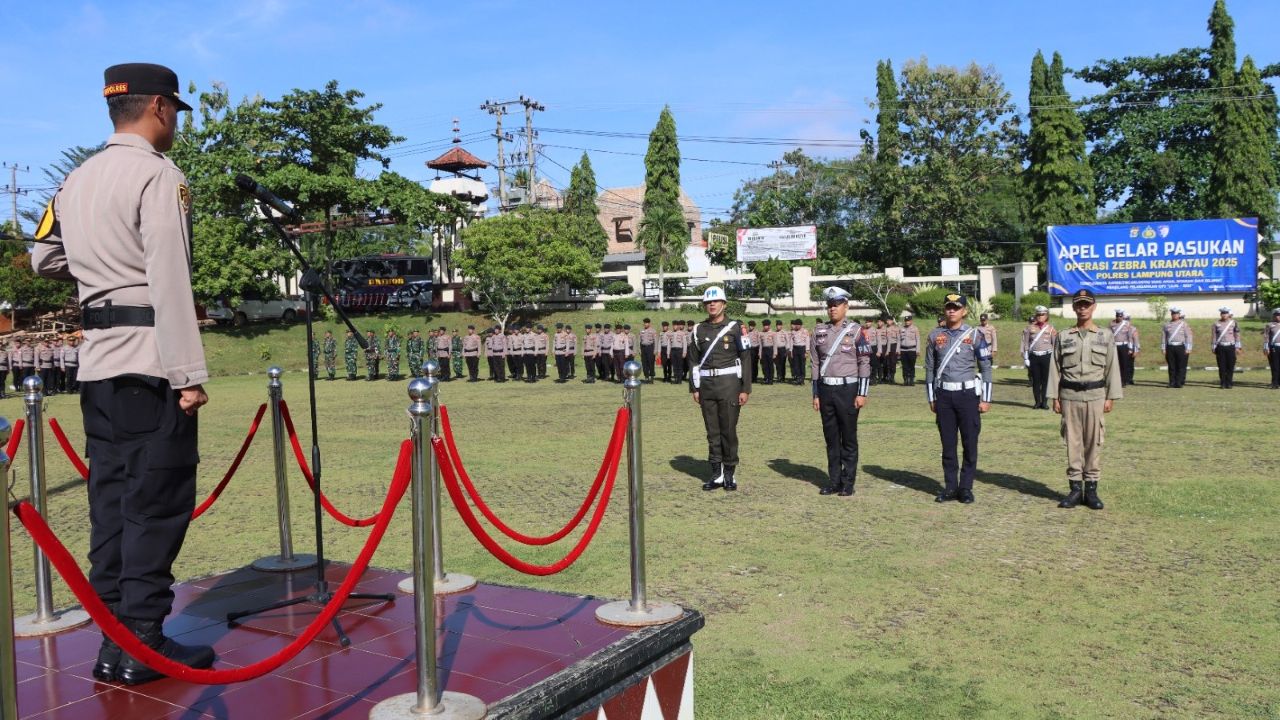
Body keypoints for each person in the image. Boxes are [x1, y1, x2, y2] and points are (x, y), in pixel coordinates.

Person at [31, 62, 214, 684]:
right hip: (149, 359)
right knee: (157, 501)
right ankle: (142, 643)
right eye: (174, 115)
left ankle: (113, 636)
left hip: (98, 365)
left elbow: (43, 256)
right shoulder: (157, 175)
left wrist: (97, 270)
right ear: (160, 108)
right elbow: (169, 275)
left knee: (110, 500)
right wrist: (188, 373)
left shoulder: (76, 179)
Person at [1047, 289, 1122, 510]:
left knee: (1094, 442)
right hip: (1069, 396)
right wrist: (1054, 396)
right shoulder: (1063, 336)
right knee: (1072, 442)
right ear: (1073, 307)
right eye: (1079, 304)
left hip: (1096, 396)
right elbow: (1055, 368)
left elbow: (1112, 367)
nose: (1082, 307)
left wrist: (1111, 396)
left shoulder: (1105, 335)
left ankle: (1091, 490)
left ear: (1093, 307)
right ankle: (1074, 490)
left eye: (1086, 304)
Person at [924, 293, 993, 504]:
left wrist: (986, 399)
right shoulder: (935, 335)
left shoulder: (975, 335)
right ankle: (950, 487)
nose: (952, 310)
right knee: (948, 444)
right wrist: (931, 398)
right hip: (944, 395)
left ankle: (966, 488)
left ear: (964, 311)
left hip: (968, 396)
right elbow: (929, 368)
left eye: (956, 307)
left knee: (970, 443)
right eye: (948, 307)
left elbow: (986, 366)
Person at [809, 288, 872, 496]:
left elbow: (864, 362)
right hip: (826, 389)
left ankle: (848, 482)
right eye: (829, 305)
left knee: (848, 437)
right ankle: (834, 480)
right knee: (831, 438)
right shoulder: (819, 331)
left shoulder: (856, 331)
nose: (832, 308)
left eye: (836, 304)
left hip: (848, 389)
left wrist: (862, 393)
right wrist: (816, 394)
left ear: (846, 306)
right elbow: (815, 364)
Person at [689, 287, 752, 491]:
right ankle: (716, 474)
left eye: (716, 301)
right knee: (712, 431)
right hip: (707, 387)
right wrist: (695, 387)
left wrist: (746, 388)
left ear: (724, 304)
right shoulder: (699, 329)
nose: (712, 305)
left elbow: (745, 358)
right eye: (708, 302)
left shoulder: (736, 327)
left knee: (728, 430)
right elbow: (693, 360)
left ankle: (730, 474)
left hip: (729, 385)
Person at [1021, 306, 1056, 409]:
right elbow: (1025, 343)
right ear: (1035, 315)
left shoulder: (1051, 328)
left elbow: (1055, 345)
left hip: (1047, 356)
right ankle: (1037, 402)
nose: (1040, 316)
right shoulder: (1029, 328)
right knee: (1036, 381)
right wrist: (1026, 357)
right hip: (1034, 356)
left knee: (1046, 381)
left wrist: (1054, 358)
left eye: (1043, 314)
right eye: (1038, 314)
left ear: (1046, 316)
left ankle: (1044, 403)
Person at [1161, 307, 1193, 388]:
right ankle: (1172, 382)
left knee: (1180, 365)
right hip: (1170, 347)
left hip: (1180, 346)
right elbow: (1164, 337)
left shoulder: (1184, 324)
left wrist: (1188, 348)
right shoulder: (1166, 325)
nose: (1174, 315)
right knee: (1171, 366)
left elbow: (1188, 336)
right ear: (1171, 315)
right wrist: (1163, 348)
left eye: (1176, 314)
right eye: (1173, 314)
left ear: (1179, 315)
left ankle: (1179, 382)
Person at [1210, 306, 1240, 389]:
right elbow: (1214, 336)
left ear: (1228, 314)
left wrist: (1238, 347)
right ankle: (1223, 383)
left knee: (1230, 366)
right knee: (1222, 366)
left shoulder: (1234, 323)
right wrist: (1213, 346)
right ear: (1220, 314)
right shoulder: (1216, 324)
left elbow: (1237, 335)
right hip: (1220, 347)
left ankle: (1229, 383)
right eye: (1222, 313)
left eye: (1226, 313)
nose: (1224, 315)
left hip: (1231, 346)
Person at [1110, 310, 1139, 387]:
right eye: (1118, 316)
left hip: (1124, 346)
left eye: (1127, 319)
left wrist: (1132, 349)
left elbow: (1132, 339)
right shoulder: (1112, 324)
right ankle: (1117, 380)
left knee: (1125, 364)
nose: (1126, 320)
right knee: (1116, 364)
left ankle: (1125, 380)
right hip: (1115, 346)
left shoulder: (1130, 327)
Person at [899, 314, 920, 386]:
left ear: (911, 321)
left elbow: (918, 340)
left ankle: (911, 380)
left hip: (912, 350)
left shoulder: (915, 329)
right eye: (906, 321)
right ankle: (905, 380)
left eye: (908, 321)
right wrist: (898, 350)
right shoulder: (901, 328)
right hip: (903, 350)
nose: (907, 322)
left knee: (911, 366)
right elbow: (899, 340)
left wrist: (918, 350)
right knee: (904, 366)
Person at [789, 318, 809, 385]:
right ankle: (797, 378)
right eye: (795, 325)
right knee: (796, 364)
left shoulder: (805, 331)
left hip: (802, 348)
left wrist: (807, 351)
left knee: (802, 364)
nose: (796, 326)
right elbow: (791, 341)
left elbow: (807, 341)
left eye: (798, 325)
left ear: (801, 325)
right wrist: (791, 351)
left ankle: (802, 378)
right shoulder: (793, 331)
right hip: (795, 348)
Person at [1265, 308, 1280, 389]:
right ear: (1274, 316)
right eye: (1277, 315)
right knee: (1274, 366)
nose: (1279, 317)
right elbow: (1266, 337)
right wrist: (1266, 348)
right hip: (1274, 347)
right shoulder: (1270, 325)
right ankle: (1275, 383)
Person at [639, 318, 657, 382]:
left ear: (649, 323)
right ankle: (646, 376)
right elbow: (640, 341)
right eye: (644, 323)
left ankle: (651, 377)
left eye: (646, 323)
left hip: (650, 348)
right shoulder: (641, 331)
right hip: (643, 348)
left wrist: (655, 350)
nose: (645, 324)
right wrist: (640, 350)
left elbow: (655, 341)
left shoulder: (653, 331)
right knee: (644, 363)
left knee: (651, 363)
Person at [759, 319, 775, 385]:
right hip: (764, 350)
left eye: (766, 325)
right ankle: (766, 378)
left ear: (769, 326)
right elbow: (760, 344)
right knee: (764, 365)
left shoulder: (773, 333)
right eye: (764, 325)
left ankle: (771, 379)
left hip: (770, 349)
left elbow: (775, 343)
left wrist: (775, 353)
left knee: (770, 365)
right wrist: (760, 353)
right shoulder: (761, 333)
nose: (765, 327)